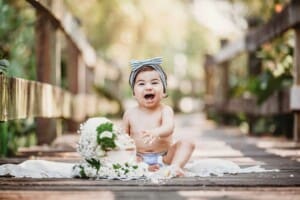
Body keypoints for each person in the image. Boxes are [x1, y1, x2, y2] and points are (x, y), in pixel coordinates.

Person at [122, 57, 195, 176]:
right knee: (120, 153)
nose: (148, 87)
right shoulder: (129, 114)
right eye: (141, 84)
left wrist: (156, 132)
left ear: (164, 91)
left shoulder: (165, 110)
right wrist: (131, 155)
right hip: (138, 158)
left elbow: (169, 127)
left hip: (165, 157)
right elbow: (123, 138)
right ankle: (143, 167)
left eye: (154, 83)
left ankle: (175, 167)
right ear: (134, 93)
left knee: (188, 142)